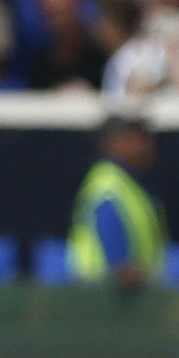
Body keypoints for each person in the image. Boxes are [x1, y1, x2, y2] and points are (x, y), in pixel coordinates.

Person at [67, 115, 167, 288]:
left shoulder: (128, 182)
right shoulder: (109, 183)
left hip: (124, 289)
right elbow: (107, 223)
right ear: (115, 142)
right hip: (104, 290)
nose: (147, 148)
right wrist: (123, 267)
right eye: (138, 140)